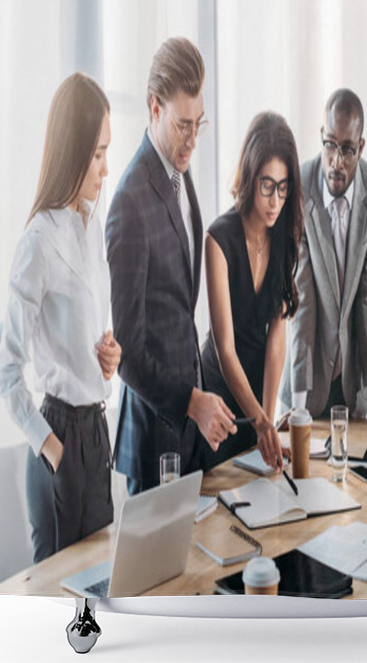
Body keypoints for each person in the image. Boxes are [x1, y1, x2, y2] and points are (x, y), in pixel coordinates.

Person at [0, 73, 122, 563]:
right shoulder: (37, 242)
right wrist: (51, 449)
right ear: (71, 151)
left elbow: (89, 331)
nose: (105, 168)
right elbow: (6, 374)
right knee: (59, 607)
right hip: (61, 438)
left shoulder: (91, 225)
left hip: (96, 434)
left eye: (107, 152)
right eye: (96, 154)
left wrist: (108, 355)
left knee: (98, 597)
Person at [106, 37, 236, 495]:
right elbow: (127, 351)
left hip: (189, 432)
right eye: (184, 125)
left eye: (199, 124)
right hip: (152, 438)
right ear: (153, 108)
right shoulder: (128, 203)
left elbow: (179, 306)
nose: (193, 140)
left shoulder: (178, 168)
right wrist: (191, 402)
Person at [279, 88, 367, 425]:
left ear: (360, 148)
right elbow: (303, 300)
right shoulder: (300, 187)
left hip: (350, 387)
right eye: (330, 144)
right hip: (306, 384)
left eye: (347, 149)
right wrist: (298, 407)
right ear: (321, 137)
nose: (336, 160)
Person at [201, 112, 303, 468]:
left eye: (283, 187)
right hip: (219, 401)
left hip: (258, 400)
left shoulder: (284, 235)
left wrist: (268, 421)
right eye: (267, 185)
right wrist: (259, 421)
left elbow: (277, 339)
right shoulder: (218, 238)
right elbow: (224, 349)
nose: (275, 201)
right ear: (249, 177)